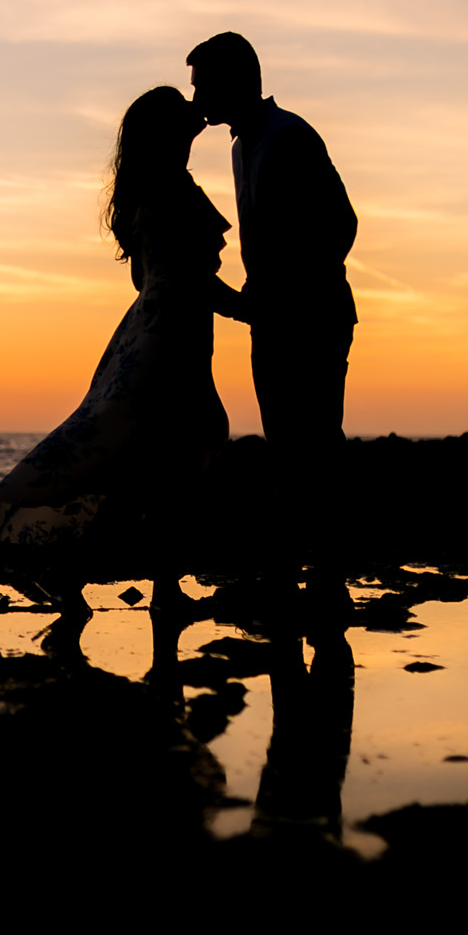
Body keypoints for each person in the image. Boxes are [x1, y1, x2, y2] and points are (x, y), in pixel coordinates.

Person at [0, 86, 236, 614]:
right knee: (167, 456)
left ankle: (87, 580)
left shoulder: (156, 187)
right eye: (183, 108)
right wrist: (251, 310)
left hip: (153, 329)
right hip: (168, 336)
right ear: (168, 131)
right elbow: (191, 275)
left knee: (149, 460)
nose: (196, 110)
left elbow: (148, 274)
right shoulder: (169, 187)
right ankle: (143, 586)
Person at [186, 32, 357, 597]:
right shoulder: (240, 148)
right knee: (287, 450)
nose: (195, 98)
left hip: (314, 318)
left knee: (315, 448)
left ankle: (324, 577)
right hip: (272, 321)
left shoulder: (290, 136)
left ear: (232, 80)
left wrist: (288, 293)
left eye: (201, 84)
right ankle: (291, 573)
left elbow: (341, 225)